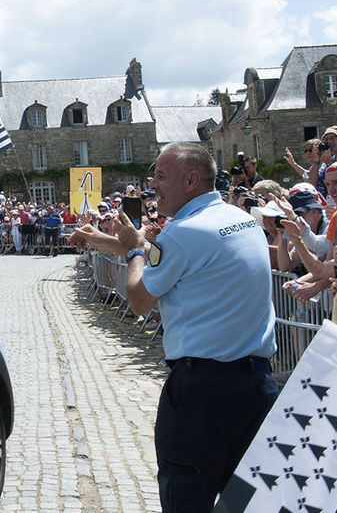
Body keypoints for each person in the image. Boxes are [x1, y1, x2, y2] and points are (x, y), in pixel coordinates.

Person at [68, 142, 277, 512]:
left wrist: (133, 249)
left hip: (203, 394)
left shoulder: (184, 232)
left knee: (187, 498)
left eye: (162, 176)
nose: (153, 184)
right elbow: (171, 261)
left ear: (191, 179)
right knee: (249, 502)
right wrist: (102, 239)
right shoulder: (241, 220)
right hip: (256, 386)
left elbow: (139, 298)